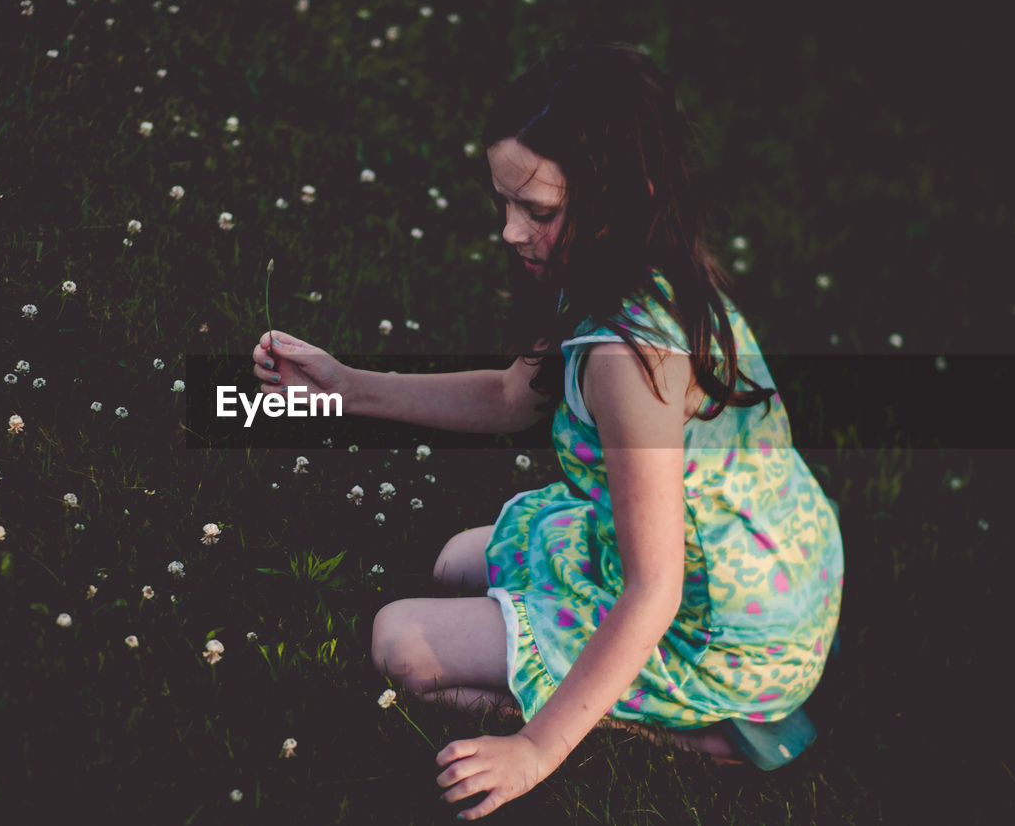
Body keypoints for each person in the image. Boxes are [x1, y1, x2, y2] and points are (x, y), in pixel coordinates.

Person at [249, 43, 842, 821]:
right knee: (458, 558)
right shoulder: (618, 269)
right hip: (756, 562)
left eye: (538, 211)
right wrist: (348, 389)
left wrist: (536, 751)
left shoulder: (629, 362)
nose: (508, 231)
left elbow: (653, 590)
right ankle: (609, 690)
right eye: (505, 203)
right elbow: (506, 397)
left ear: (619, 200)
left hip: (725, 630)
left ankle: (708, 736)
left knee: (399, 645)